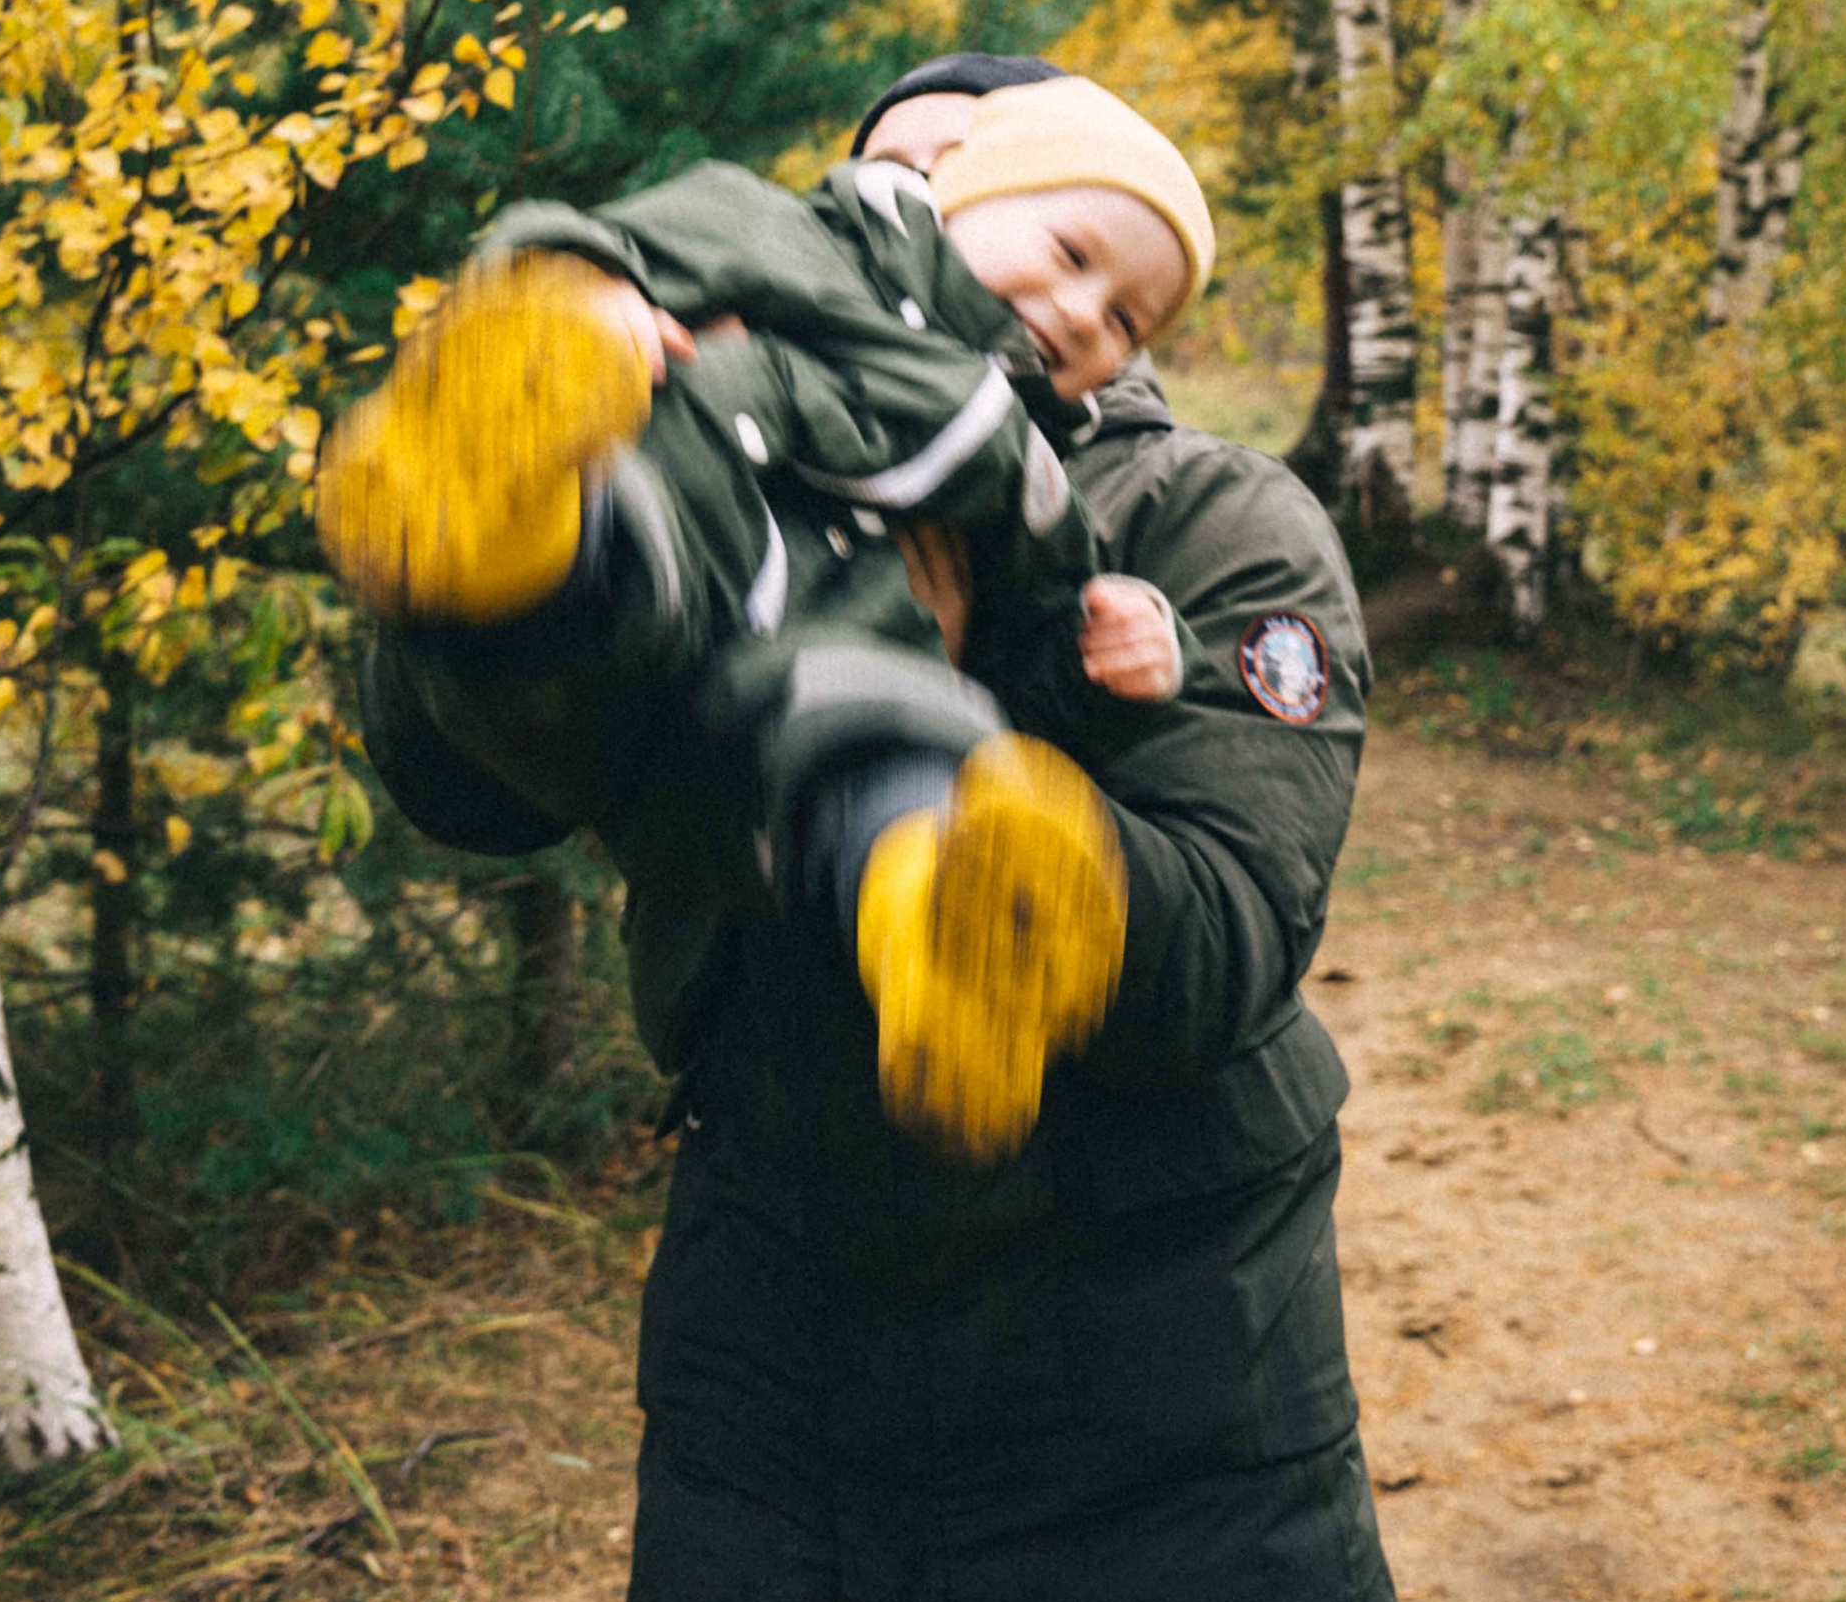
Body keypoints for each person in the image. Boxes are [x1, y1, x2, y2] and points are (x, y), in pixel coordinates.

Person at [358, 53, 1403, 1602]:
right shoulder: (729, 398)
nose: (925, 209)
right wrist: (532, 525)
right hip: (781, 1363)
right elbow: (475, 789)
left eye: (1098, 277)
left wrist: (989, 725)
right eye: (898, 178)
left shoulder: (1209, 520)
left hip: (1153, 1392)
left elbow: (1224, 936)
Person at [322, 76, 1218, 1155]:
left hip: (793, 691)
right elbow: (601, 238)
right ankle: (480, 491)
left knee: (915, 745)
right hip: (675, 529)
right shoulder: (792, 239)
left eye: (1126, 318)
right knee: (607, 550)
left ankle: (941, 950)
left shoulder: (1038, 462)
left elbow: (1036, 629)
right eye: (1073, 256)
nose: (1084, 312)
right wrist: (583, 290)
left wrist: (1102, 656)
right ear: (952, 194)